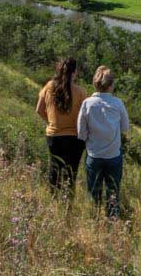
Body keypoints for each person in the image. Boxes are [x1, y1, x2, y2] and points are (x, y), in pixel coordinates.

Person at [76, 65, 130, 218]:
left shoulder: (87, 103)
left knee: (94, 192)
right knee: (113, 191)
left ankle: (94, 220)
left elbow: (81, 132)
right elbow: (125, 127)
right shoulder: (118, 103)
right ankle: (113, 220)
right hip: (113, 156)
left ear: (95, 84)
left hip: (94, 155)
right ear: (111, 85)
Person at [36, 58, 87, 193]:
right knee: (71, 171)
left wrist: (51, 123)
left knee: (55, 168)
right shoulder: (81, 92)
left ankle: (53, 200)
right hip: (75, 138)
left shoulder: (49, 86)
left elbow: (39, 110)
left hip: (54, 135)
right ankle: (67, 203)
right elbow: (85, 117)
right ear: (75, 72)